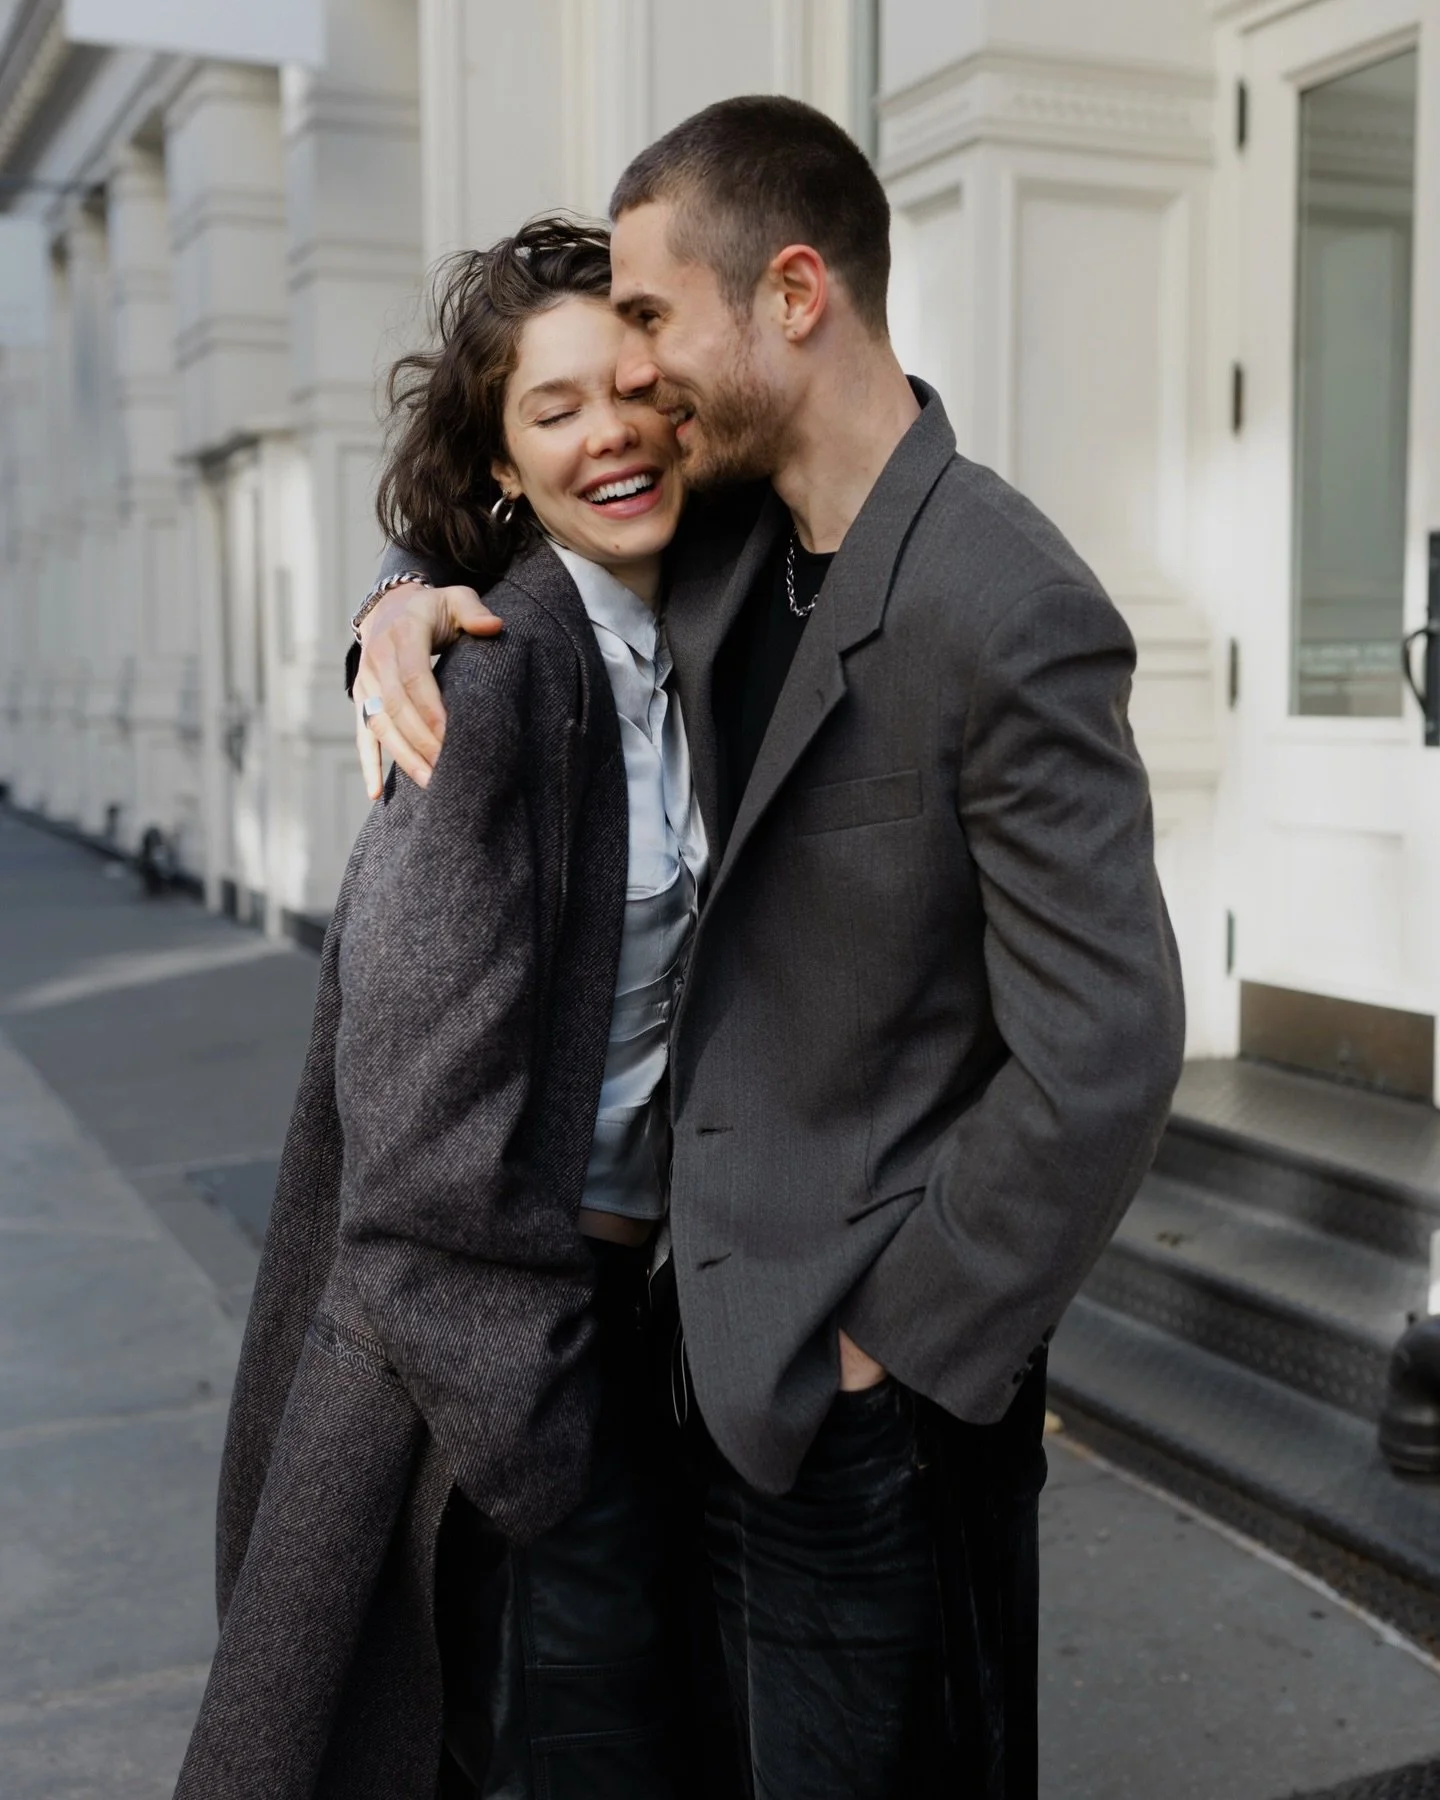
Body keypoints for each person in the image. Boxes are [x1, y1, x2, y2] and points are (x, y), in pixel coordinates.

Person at [355, 97, 1187, 1800]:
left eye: (656, 318)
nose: (640, 376)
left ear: (792, 294)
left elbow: (1104, 1046)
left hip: (873, 1414)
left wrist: (893, 1343)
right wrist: (389, 607)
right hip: (692, 1376)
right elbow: (522, 517)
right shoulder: (731, 543)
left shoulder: (1006, 600)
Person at [176, 218, 738, 1800]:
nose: (610, 430)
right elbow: (416, 1147)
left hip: (624, 1345)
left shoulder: (689, 626)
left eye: (637, 389)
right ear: (500, 464)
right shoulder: (489, 692)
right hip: (495, 1394)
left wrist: (401, 583)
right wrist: (541, 1433)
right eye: (553, 409)